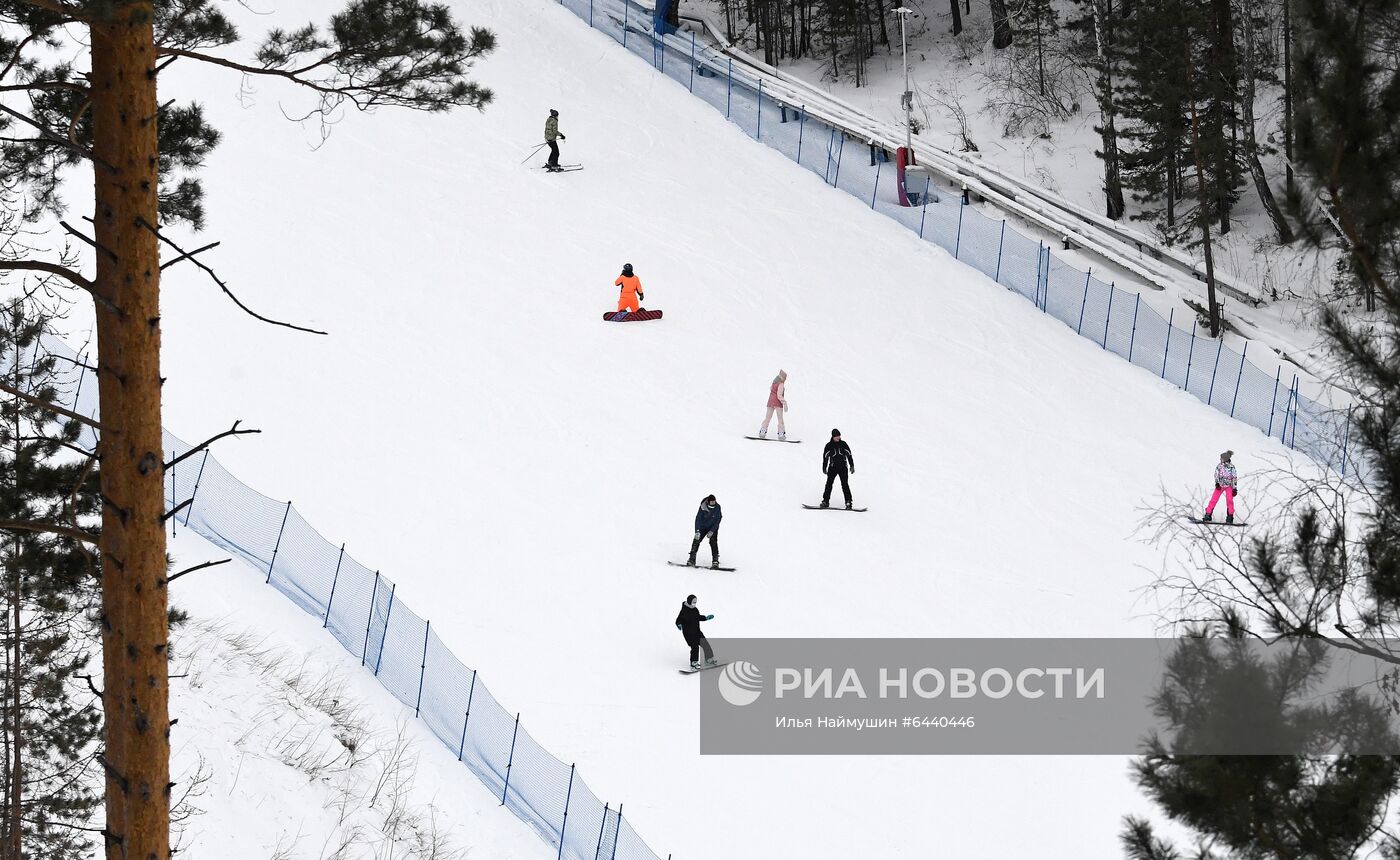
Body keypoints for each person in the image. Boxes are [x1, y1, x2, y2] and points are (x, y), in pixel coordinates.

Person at [675, 594, 717, 670]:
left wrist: (706, 618)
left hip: (697, 631)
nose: (694, 603)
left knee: (705, 643)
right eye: (693, 602)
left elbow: (698, 617)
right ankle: (693, 663)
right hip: (689, 634)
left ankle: (709, 659)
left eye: (695, 602)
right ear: (689, 601)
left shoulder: (695, 609)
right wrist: (679, 624)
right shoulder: (684, 611)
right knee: (695, 647)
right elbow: (678, 620)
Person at [1202, 450, 1240, 523]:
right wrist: (1217, 483)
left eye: (1221, 458)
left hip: (1229, 486)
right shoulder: (1219, 466)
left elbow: (1234, 477)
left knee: (1230, 501)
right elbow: (1216, 475)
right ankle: (1208, 514)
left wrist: (1234, 488)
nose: (1220, 459)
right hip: (1220, 485)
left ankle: (1230, 516)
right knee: (1214, 499)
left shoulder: (1232, 467)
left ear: (1225, 459)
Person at [821, 429, 854, 509]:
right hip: (833, 468)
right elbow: (825, 458)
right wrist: (824, 467)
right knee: (829, 484)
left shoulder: (843, 444)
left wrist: (851, 465)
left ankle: (848, 501)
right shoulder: (828, 446)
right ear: (833, 436)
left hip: (843, 467)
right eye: (837, 436)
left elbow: (849, 455)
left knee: (845, 484)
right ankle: (825, 501)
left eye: (839, 435)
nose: (838, 437)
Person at [687, 494, 722, 568]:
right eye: (712, 502)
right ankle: (692, 559)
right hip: (703, 527)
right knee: (696, 540)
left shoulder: (717, 507)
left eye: (714, 501)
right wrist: (697, 531)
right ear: (708, 502)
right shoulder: (703, 507)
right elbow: (698, 519)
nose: (713, 503)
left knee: (713, 542)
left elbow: (718, 520)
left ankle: (715, 561)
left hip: (712, 527)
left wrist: (712, 531)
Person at [758, 370, 788, 440]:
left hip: (770, 401)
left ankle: (762, 432)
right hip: (778, 403)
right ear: (783, 378)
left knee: (767, 418)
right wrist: (784, 403)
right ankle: (781, 434)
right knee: (780, 420)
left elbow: (771, 389)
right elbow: (779, 395)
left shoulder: (774, 383)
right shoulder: (781, 384)